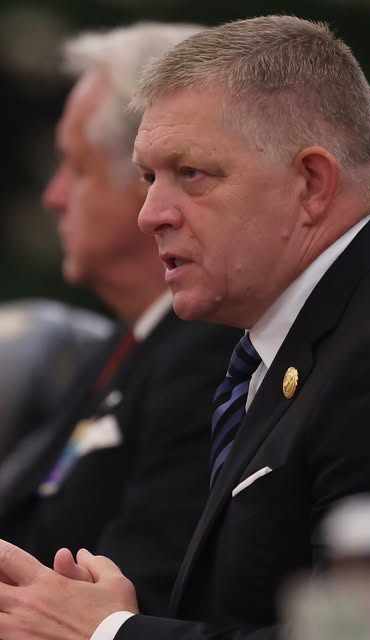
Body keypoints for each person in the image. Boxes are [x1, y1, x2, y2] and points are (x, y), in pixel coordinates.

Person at [0, 14, 370, 640]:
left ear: (312, 184)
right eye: (149, 178)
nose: (151, 214)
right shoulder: (298, 339)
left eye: (191, 174)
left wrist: (109, 632)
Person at [0, 22, 240, 617]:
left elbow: (141, 597)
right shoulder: (129, 342)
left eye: (75, 167)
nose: (54, 196)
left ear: (145, 185)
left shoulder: (208, 356)